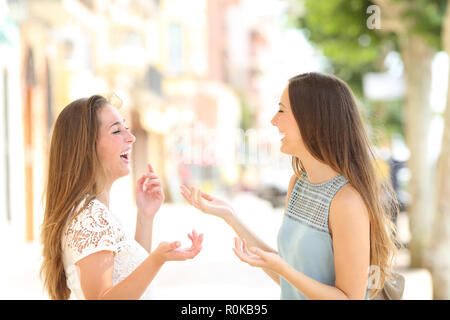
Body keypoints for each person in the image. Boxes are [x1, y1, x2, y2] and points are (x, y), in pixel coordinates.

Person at [180, 72, 399, 300]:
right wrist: (230, 217)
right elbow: (289, 279)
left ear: (312, 120)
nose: (274, 120)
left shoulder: (347, 201)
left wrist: (284, 269)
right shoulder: (298, 184)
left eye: (282, 110)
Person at [40, 95, 203, 300]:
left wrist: (145, 217)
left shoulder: (95, 211)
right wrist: (157, 259)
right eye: (117, 131)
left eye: (125, 127)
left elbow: (128, 277)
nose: (131, 137)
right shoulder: (90, 216)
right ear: (88, 148)